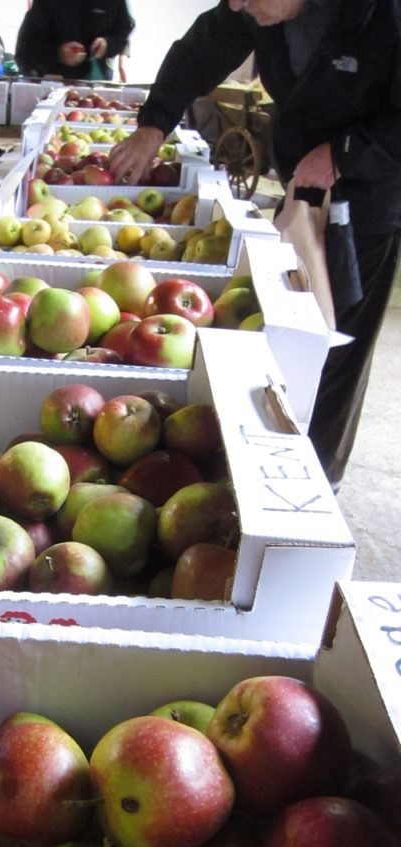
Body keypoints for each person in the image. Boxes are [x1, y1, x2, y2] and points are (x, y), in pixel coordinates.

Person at [109, 0, 401, 492]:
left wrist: (345, 154)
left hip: (365, 206)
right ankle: (270, 465)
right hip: (301, 197)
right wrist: (154, 123)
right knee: (289, 335)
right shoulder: (260, 7)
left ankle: (312, 486)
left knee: (334, 349)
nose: (239, 3)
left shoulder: (382, 15)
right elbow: (201, 49)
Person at [14, 0, 134, 82]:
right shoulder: (46, 4)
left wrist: (107, 45)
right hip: (54, 86)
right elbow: (27, 47)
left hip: (97, 88)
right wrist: (57, 53)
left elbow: (123, 29)